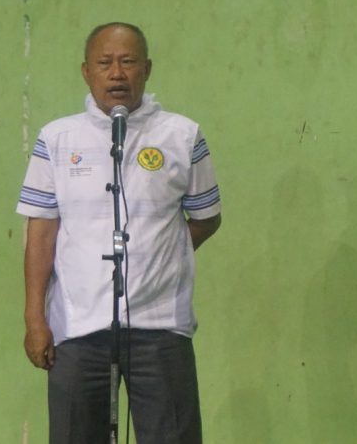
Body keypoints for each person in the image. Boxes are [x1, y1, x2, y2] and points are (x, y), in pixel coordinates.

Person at [16, 22, 221, 444]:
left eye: (128, 62)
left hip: (161, 326)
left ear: (147, 69)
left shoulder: (182, 135)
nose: (117, 73)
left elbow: (206, 217)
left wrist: (162, 255)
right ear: (86, 71)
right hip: (77, 327)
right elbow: (41, 234)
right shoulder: (57, 139)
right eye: (104, 63)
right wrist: (35, 318)